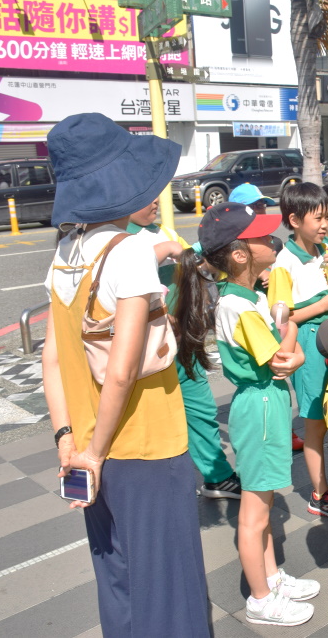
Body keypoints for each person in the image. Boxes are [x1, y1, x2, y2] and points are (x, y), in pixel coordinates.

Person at [41, 113, 210, 635]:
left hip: (92, 450)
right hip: (148, 445)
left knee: (117, 579)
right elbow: (121, 370)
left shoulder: (67, 252)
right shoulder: (130, 250)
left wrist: (72, 443)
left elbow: (51, 357)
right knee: (170, 587)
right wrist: (95, 448)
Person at [173, 202, 321, 627]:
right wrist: (289, 325)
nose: (271, 240)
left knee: (266, 500)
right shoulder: (238, 305)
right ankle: (259, 596)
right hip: (259, 404)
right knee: (255, 509)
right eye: (261, 237)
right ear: (240, 254)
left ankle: (272, 577)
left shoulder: (245, 296)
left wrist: (280, 315)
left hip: (263, 401)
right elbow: (282, 358)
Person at [128, 198, 243, 500]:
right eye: (146, 195)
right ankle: (158, 485)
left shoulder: (160, 230)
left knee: (201, 408)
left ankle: (217, 476)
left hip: (182, 342)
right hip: (147, 347)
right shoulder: (119, 237)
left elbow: (192, 261)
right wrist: (163, 252)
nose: (154, 201)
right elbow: (116, 276)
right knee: (153, 416)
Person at [269, 183, 328, 519]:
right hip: (308, 342)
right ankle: (320, 491)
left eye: (324, 217)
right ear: (293, 220)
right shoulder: (284, 263)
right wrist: (323, 303)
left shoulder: (323, 252)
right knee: (316, 421)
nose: (323, 225)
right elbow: (282, 318)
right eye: (317, 218)